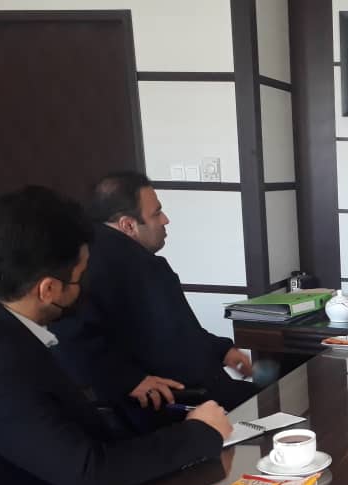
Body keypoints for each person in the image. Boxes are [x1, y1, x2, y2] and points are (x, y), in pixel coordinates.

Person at [0, 186, 232, 485]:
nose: (85, 287)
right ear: (48, 289)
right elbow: (89, 472)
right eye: (79, 277)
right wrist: (199, 433)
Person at [51, 172, 257, 424]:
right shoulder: (130, 267)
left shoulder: (93, 255)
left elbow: (178, 332)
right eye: (157, 213)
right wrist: (128, 380)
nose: (165, 220)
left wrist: (222, 349)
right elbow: (71, 339)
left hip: (180, 392)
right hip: (173, 403)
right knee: (275, 401)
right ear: (128, 225)